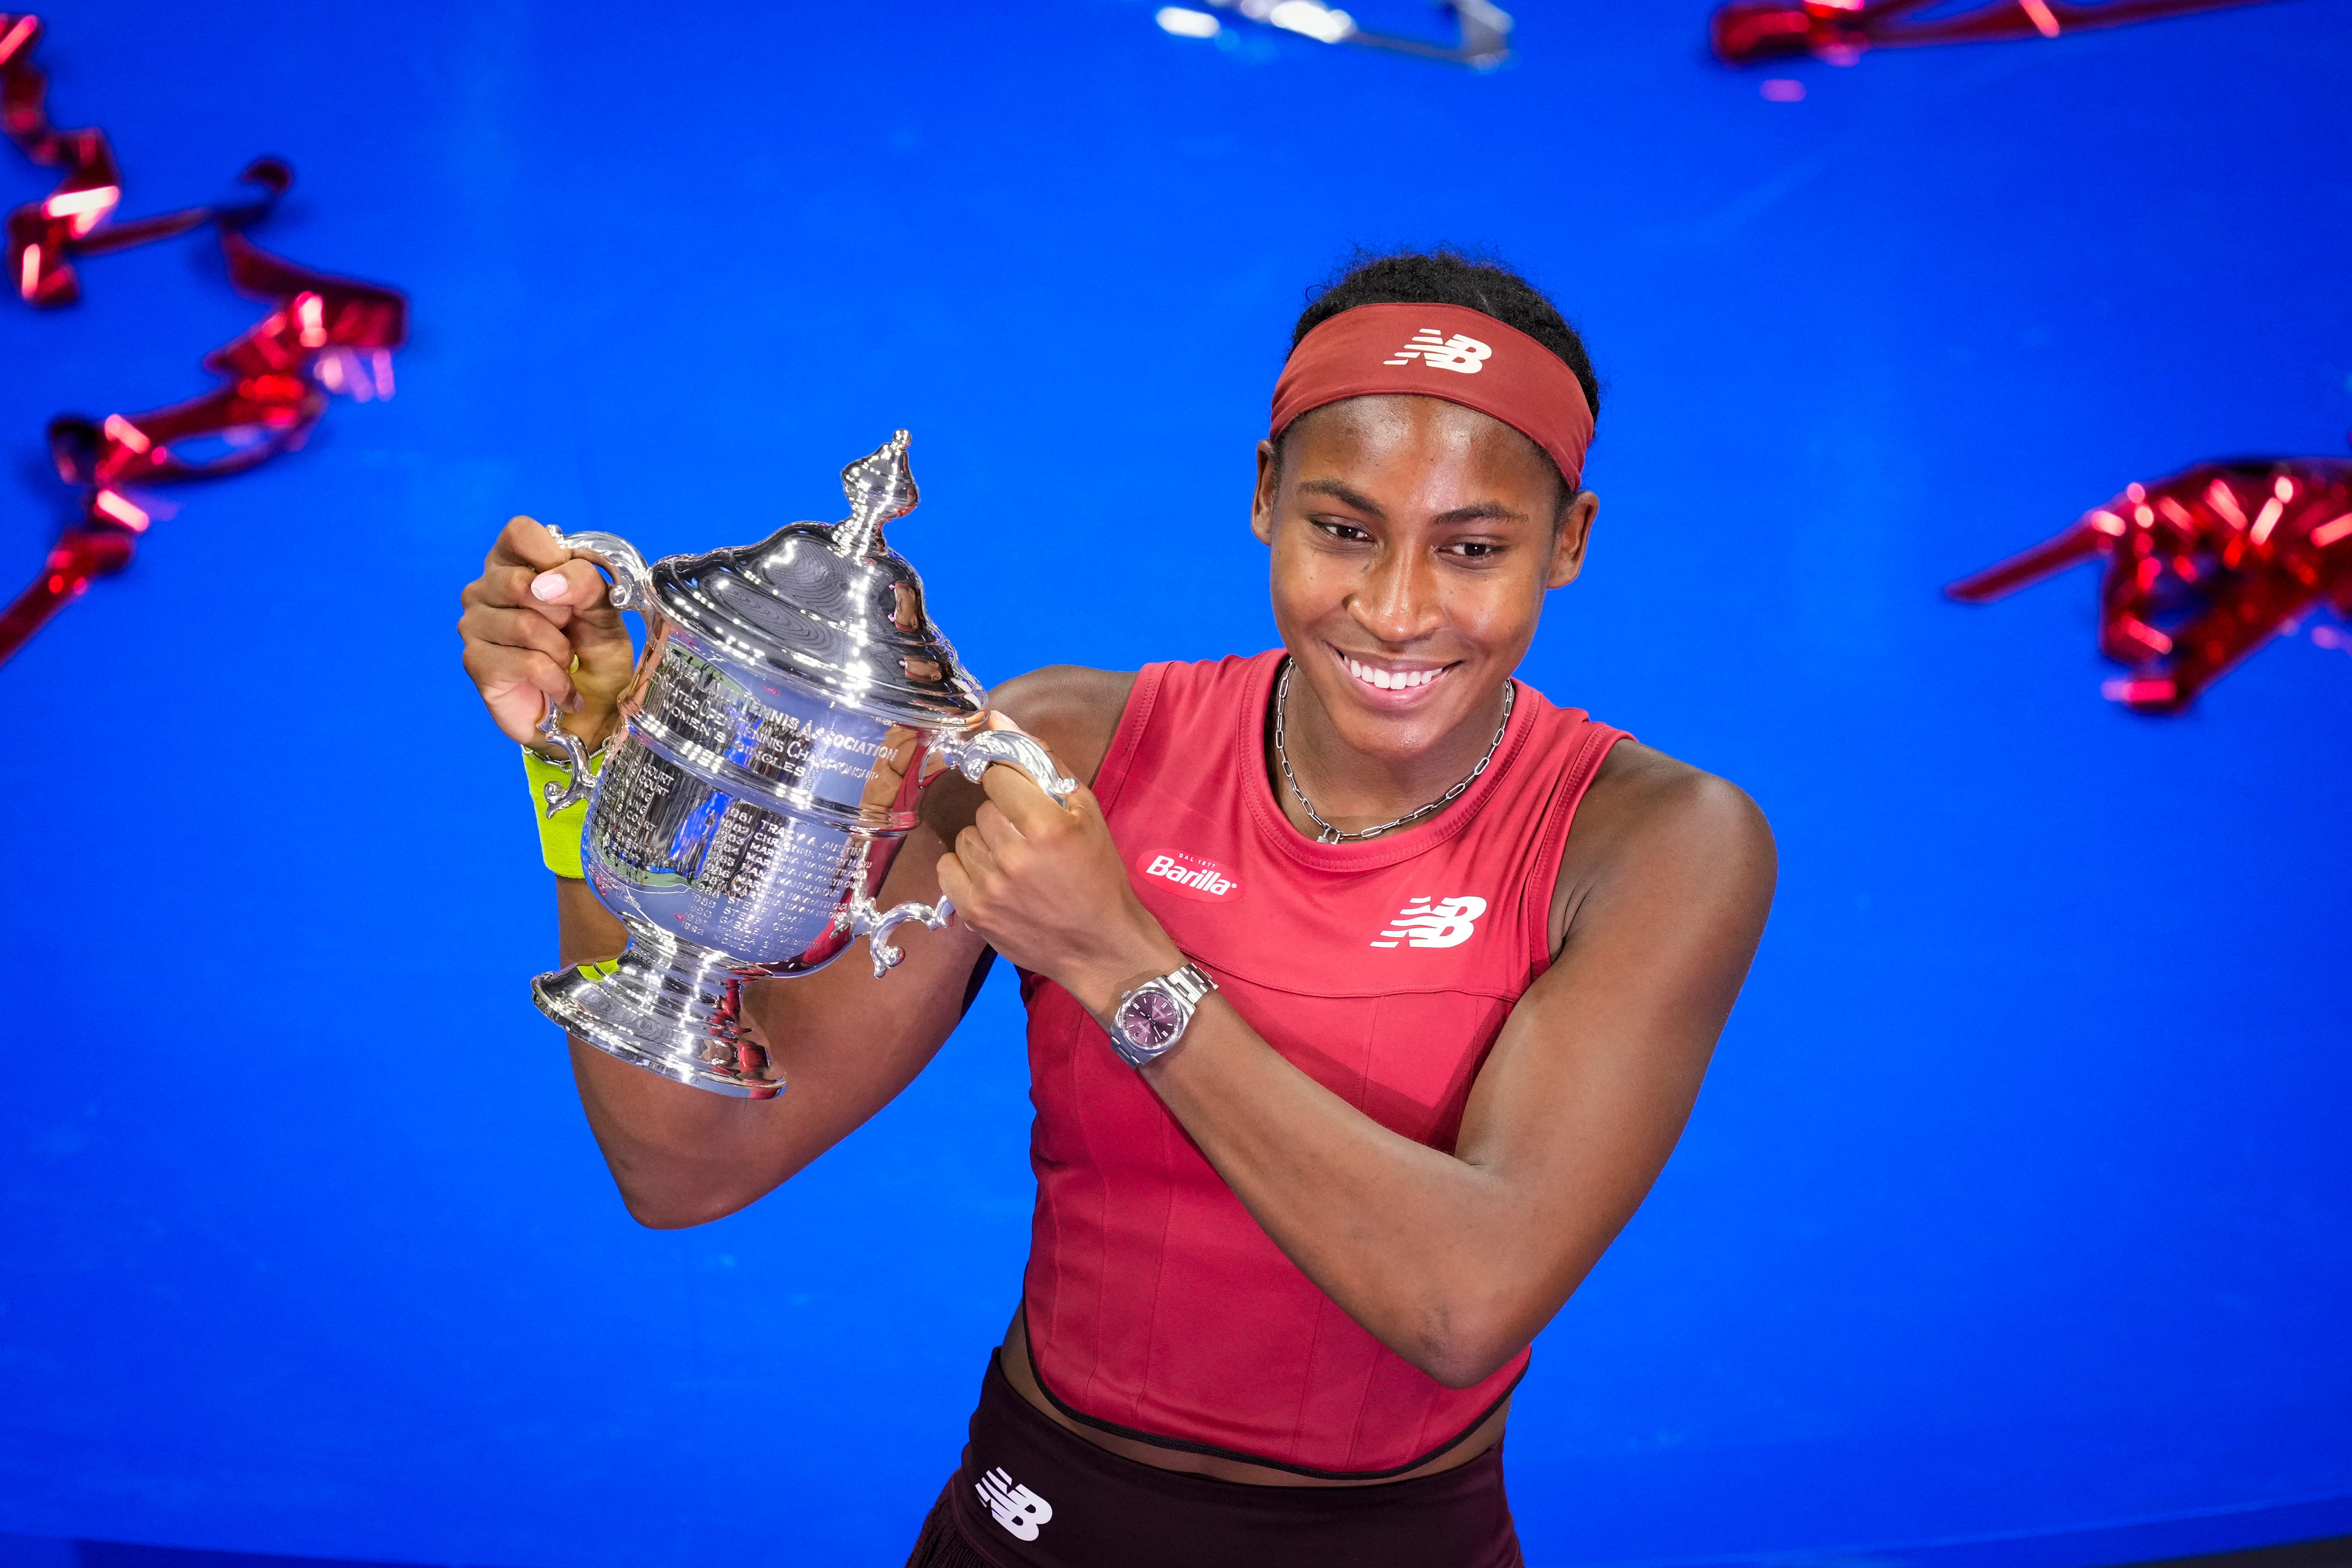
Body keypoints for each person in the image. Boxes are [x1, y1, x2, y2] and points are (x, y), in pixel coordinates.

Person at [456, 249, 1776, 1567]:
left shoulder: (1660, 843)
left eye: (1474, 549)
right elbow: (687, 1164)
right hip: (1030, 1520)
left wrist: (1121, 960)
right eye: (1344, 528)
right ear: (1265, 498)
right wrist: (585, 772)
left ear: (1571, 543)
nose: (1395, 609)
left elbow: (1463, 1302)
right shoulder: (1061, 752)